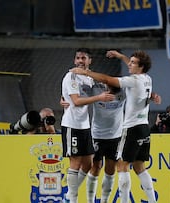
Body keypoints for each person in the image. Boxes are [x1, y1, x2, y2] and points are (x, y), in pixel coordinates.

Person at [70, 50, 160, 203]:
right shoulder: (147, 79)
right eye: (129, 61)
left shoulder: (132, 81)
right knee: (140, 166)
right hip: (143, 127)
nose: (129, 65)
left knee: (122, 166)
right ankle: (152, 201)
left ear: (141, 67)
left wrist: (85, 72)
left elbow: (107, 78)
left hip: (130, 128)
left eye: (132, 63)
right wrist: (120, 57)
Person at [61, 48, 115, 203]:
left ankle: (68, 195)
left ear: (89, 61)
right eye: (78, 58)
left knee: (88, 164)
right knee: (75, 162)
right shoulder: (70, 76)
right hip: (72, 125)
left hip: (85, 126)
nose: (80, 61)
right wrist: (99, 97)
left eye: (83, 58)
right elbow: (76, 102)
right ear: (74, 60)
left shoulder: (89, 78)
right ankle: (72, 199)